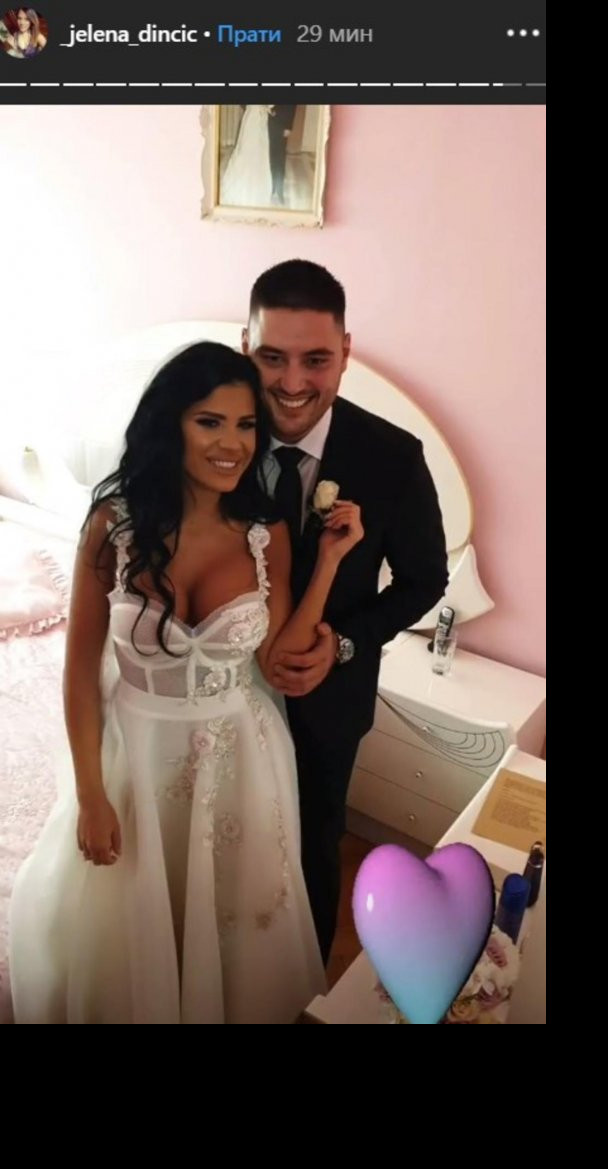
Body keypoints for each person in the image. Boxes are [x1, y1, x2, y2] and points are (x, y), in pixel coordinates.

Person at [9, 342, 365, 1024]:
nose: (233, 444)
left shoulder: (265, 532)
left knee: (232, 933)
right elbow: (80, 673)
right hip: (136, 758)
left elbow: (278, 662)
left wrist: (328, 563)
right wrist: (90, 795)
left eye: (246, 425)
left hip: (241, 759)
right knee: (138, 930)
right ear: (169, 423)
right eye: (210, 422)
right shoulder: (111, 526)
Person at [244, 260, 449, 960]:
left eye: (316, 359)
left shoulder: (393, 457)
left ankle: (300, 980)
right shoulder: (213, 434)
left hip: (327, 704)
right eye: (272, 357)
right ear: (246, 347)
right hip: (220, 694)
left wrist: (346, 644)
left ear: (346, 352)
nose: (292, 382)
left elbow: (424, 581)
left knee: (313, 846)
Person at [220, 104, 272, 207]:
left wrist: (266, 108)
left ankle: (258, 188)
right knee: (249, 149)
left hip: (260, 119)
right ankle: (245, 188)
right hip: (253, 118)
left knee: (259, 152)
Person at [269, 104, 297, 205]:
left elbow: (292, 106)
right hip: (267, 122)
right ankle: (270, 186)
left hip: (282, 123)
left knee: (280, 158)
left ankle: (279, 189)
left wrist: (288, 126)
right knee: (269, 156)